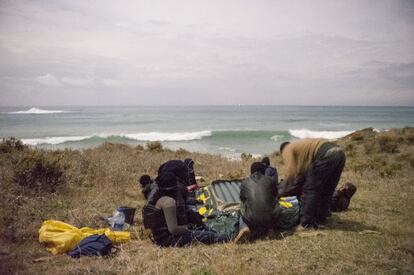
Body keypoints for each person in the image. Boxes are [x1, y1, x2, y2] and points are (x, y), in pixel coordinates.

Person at [142, 171, 229, 247]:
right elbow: (173, 229)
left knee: (204, 230)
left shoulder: (160, 197)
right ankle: (229, 237)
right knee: (210, 236)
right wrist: (189, 227)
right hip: (168, 240)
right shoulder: (168, 202)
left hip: (165, 238)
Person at [278, 139, 346, 229]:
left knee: (310, 190)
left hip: (326, 154)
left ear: (282, 151)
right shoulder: (300, 149)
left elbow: (291, 174)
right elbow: (302, 174)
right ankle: (321, 218)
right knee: (327, 189)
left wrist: (281, 192)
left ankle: (306, 224)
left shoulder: (287, 150)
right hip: (339, 153)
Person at [234, 162, 280, 243]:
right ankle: (270, 229)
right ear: (263, 171)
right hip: (269, 219)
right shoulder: (270, 181)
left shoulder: (244, 183)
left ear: (251, 171)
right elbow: (276, 195)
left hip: (251, 220)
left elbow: (242, 198)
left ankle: (244, 227)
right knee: (273, 204)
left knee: (241, 206)